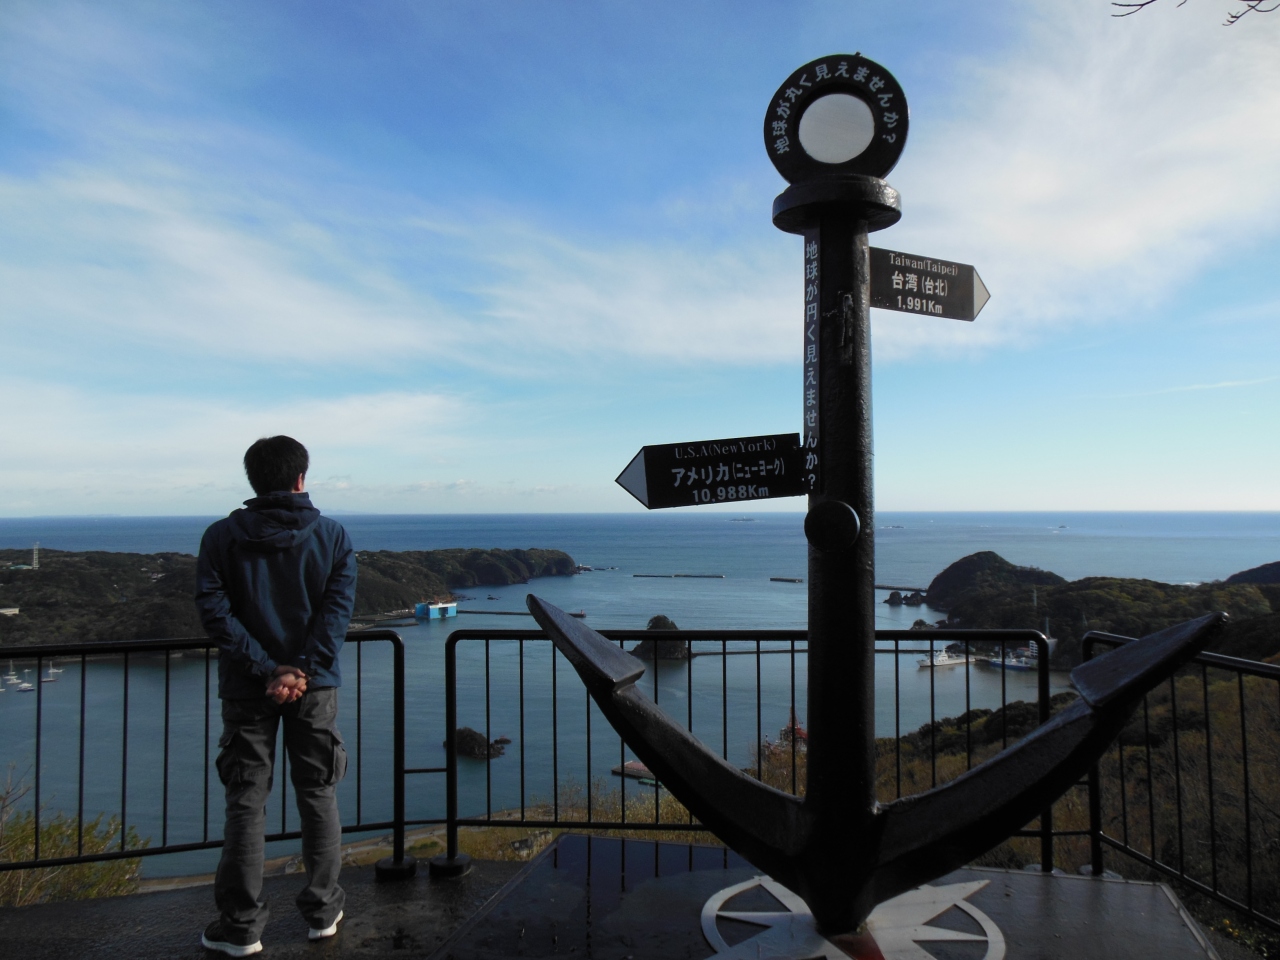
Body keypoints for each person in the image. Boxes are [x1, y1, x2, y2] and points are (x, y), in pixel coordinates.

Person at [195, 436, 357, 957]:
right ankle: (323, 911)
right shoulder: (333, 537)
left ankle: (241, 927)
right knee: (318, 792)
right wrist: (302, 671)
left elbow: (215, 613)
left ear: (253, 479)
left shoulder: (221, 537)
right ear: (300, 478)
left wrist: (267, 669)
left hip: (247, 687)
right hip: (315, 688)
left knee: (246, 800)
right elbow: (335, 616)